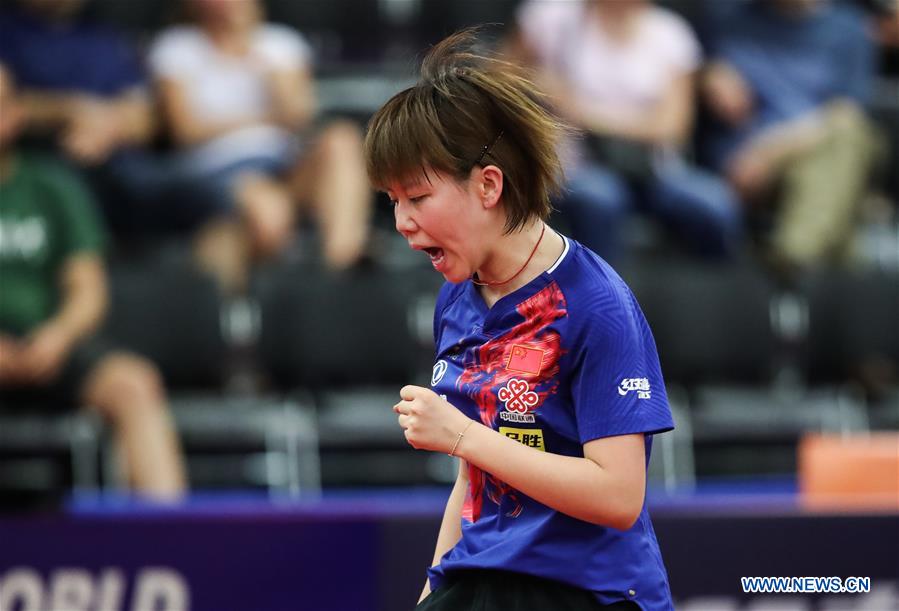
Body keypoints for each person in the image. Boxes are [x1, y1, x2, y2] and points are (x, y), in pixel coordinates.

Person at [364, 31, 675, 610]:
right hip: (483, 577)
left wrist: (461, 435)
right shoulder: (459, 297)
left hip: (587, 591)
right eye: (393, 202)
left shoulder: (595, 304)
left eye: (418, 197)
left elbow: (617, 494)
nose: (403, 222)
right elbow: (472, 479)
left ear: (487, 184)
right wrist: (432, 589)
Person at [0, 65, 187, 500]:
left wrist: (58, 336)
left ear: (14, 114)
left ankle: (166, 546)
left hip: (46, 343)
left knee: (133, 384)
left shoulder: (51, 187)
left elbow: (87, 288)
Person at [148, 0, 372, 293]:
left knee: (341, 139)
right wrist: (263, 118)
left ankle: (340, 272)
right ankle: (243, 310)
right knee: (269, 213)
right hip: (214, 169)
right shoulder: (177, 46)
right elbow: (185, 130)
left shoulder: (279, 42)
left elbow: (299, 115)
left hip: (281, 163)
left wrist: (258, 57)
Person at [508, 0, 741, 263]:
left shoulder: (671, 34)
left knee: (715, 205)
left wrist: (584, 113)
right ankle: (601, 296)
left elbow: (672, 127)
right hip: (578, 166)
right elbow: (501, 82)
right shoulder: (550, 17)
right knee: (597, 199)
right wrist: (535, 87)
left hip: (652, 170)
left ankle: (701, 298)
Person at [701, 0, 882, 271]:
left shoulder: (848, 28)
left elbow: (846, 115)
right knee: (843, 190)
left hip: (801, 150)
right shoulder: (727, 19)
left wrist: (770, 150)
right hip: (742, 164)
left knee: (845, 142)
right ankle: (803, 269)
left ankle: (792, 256)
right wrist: (704, 73)